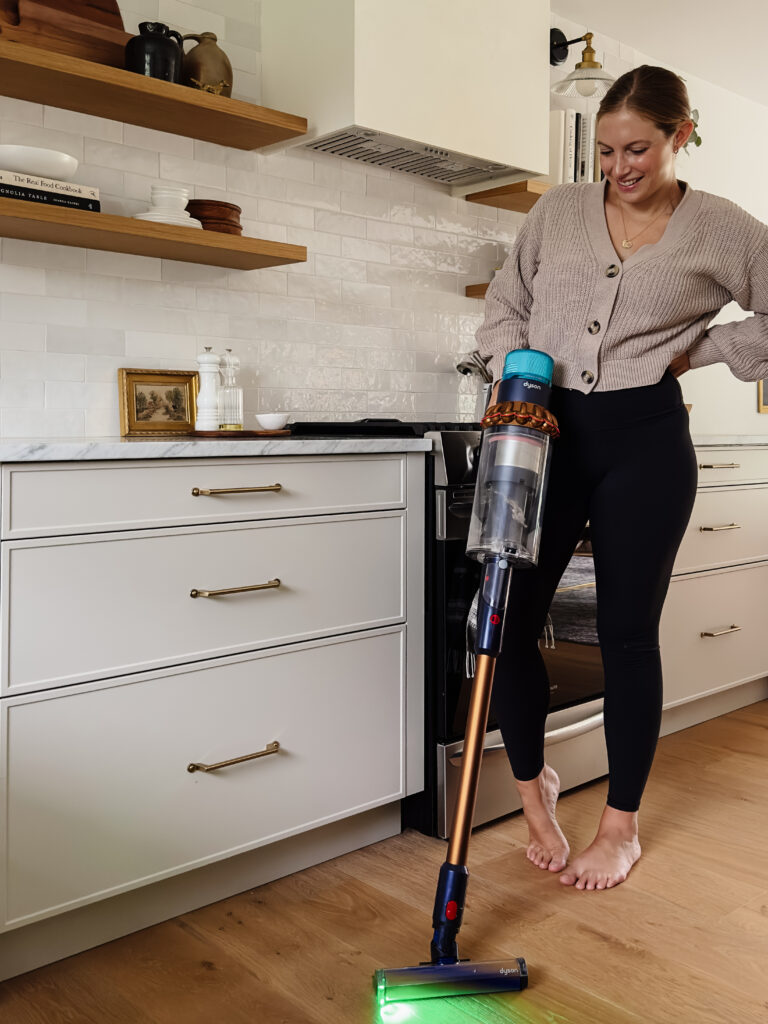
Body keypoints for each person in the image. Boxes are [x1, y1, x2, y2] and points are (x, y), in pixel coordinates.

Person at [475, 64, 768, 891]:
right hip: (542, 434)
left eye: (636, 148)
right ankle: (535, 786)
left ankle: (620, 826)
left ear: (681, 135)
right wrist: (515, 374)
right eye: (605, 151)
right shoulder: (556, 212)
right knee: (511, 621)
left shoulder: (724, 229)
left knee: (626, 635)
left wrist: (704, 350)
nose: (618, 168)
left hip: (644, 437)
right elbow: (505, 304)